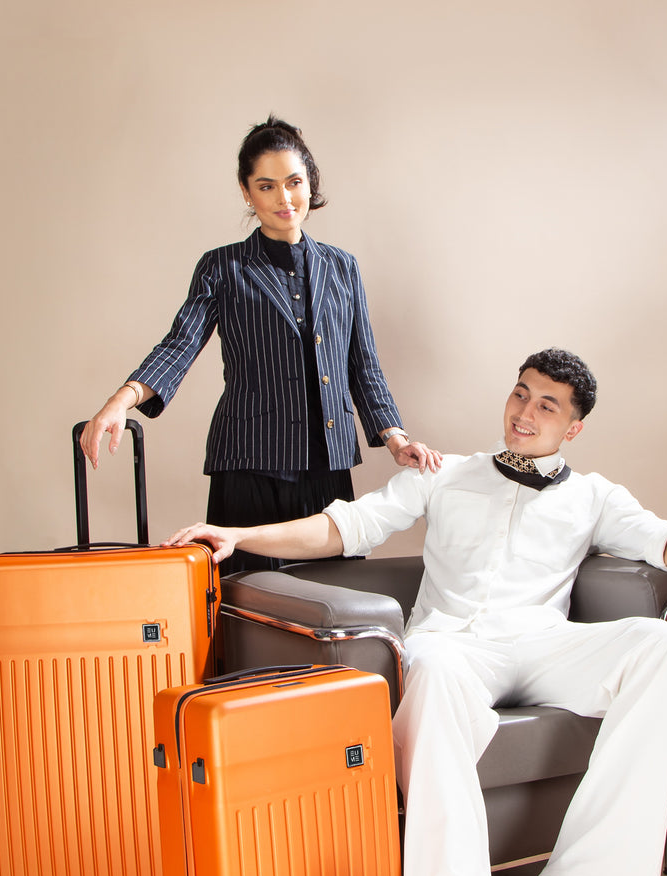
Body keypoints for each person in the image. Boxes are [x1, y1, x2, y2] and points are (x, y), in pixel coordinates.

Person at [164, 348, 667, 876]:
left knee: (664, 648)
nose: (525, 412)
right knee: (432, 673)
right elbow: (343, 526)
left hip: (542, 642)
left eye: (546, 405)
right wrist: (237, 534)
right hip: (452, 643)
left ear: (574, 428)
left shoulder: (594, 496)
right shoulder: (443, 474)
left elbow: (661, 538)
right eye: (521, 394)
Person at [80, 116, 440, 574]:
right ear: (247, 193)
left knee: (331, 605)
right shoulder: (222, 267)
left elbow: (362, 366)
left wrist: (396, 439)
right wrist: (121, 401)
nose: (284, 198)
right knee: (248, 606)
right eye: (266, 186)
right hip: (249, 462)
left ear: (311, 184)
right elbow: (180, 345)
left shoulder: (342, 267)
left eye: (293, 182)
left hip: (325, 466)